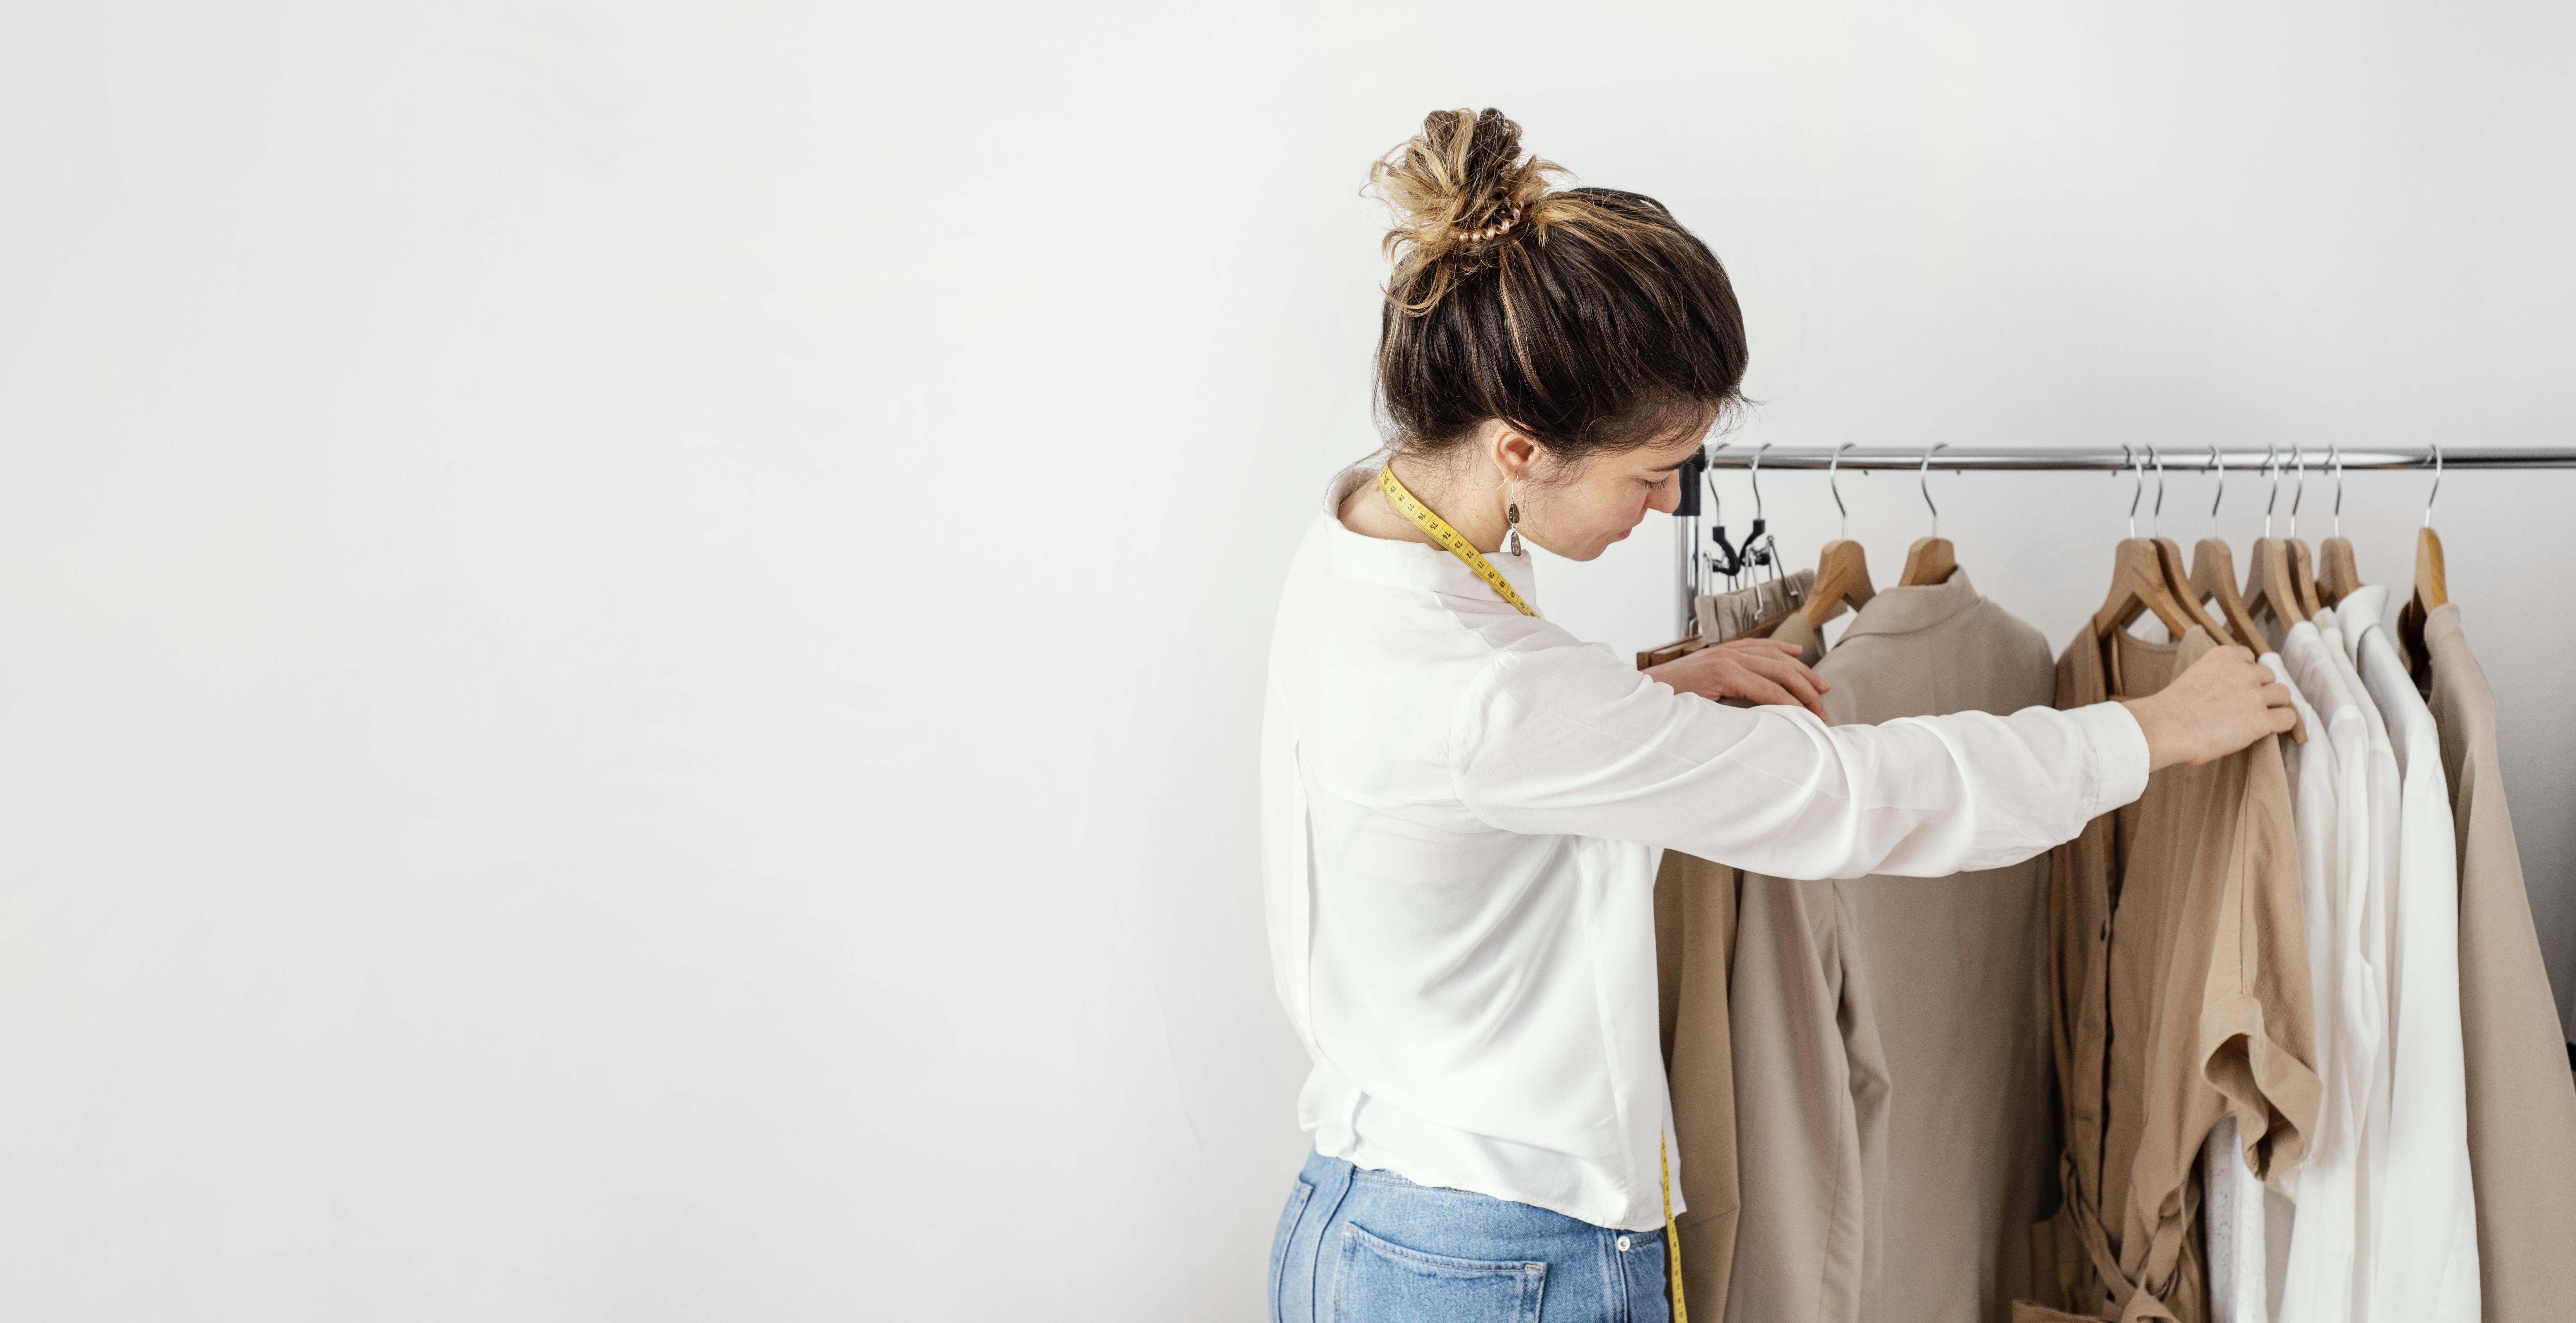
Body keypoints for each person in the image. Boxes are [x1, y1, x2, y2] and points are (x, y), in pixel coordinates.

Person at [1258, 108, 2296, 1323]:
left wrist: (1642, 697)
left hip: (1359, 1221)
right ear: (1521, 450)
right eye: (1649, 475)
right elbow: (1848, 802)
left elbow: (1452, 768)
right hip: (1502, 1264)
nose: (1667, 509)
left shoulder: (1359, 541)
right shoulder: (1496, 692)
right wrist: (2148, 734)